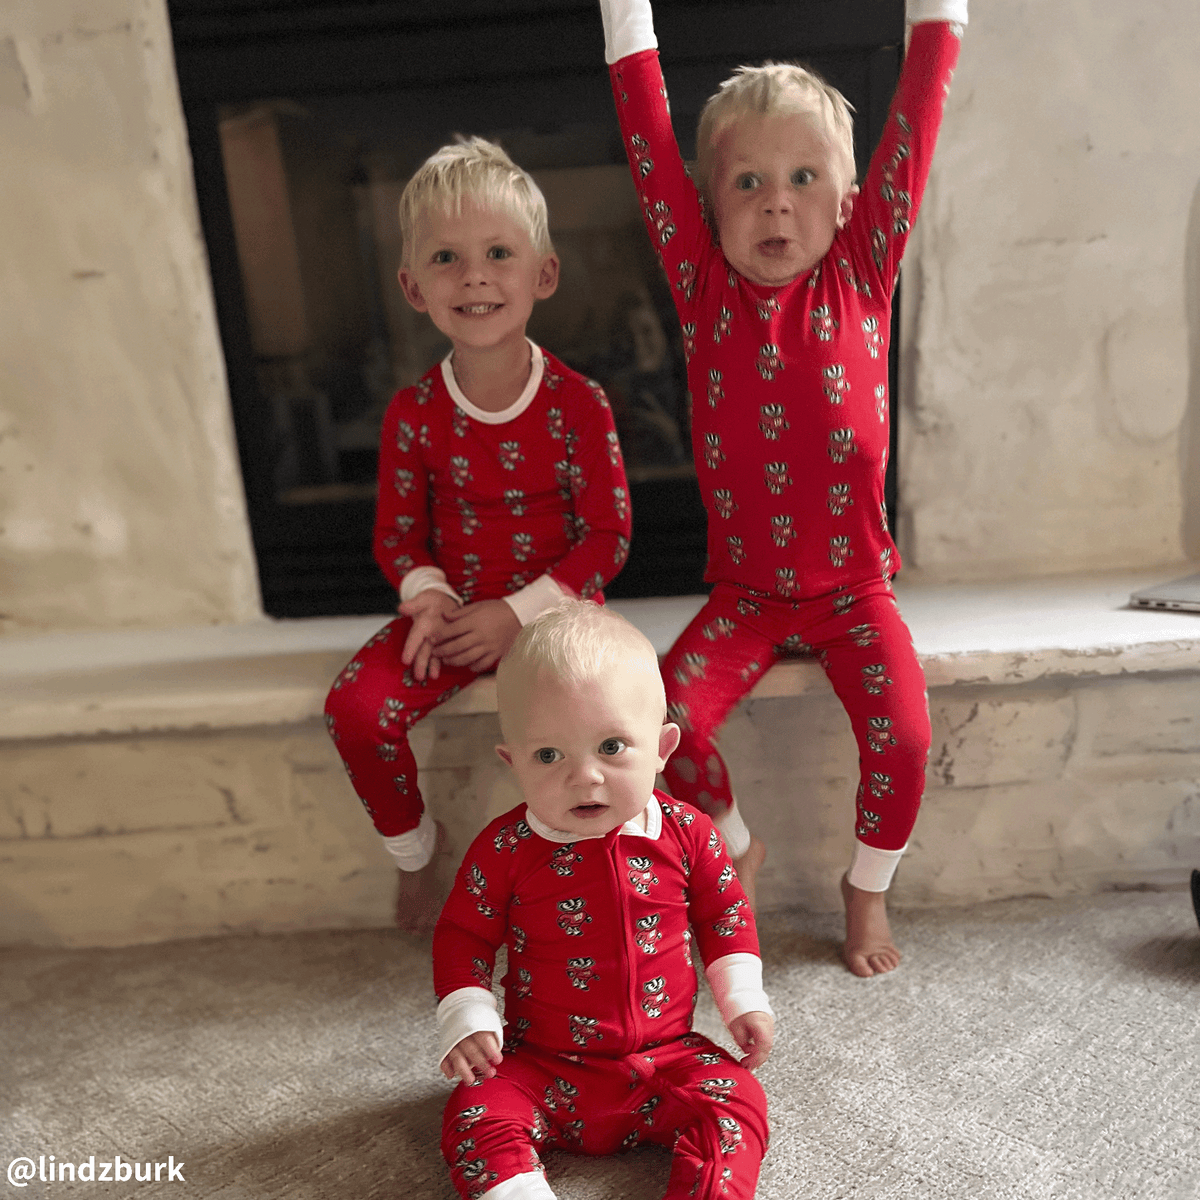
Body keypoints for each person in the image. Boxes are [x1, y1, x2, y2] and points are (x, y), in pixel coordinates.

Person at [597, 0, 966, 974]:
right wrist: (624, 19)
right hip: (749, 597)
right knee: (663, 722)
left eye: (804, 179)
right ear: (709, 205)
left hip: (855, 592)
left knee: (906, 740)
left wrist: (938, 18)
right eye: (748, 182)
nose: (775, 203)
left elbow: (914, 126)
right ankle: (735, 843)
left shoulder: (863, 271)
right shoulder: (703, 285)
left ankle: (866, 890)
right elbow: (647, 142)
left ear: (848, 203)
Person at [324, 139, 632, 935]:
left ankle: (604, 869)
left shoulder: (578, 404)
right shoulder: (413, 412)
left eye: (499, 253)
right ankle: (420, 857)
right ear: (413, 287)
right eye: (447, 259)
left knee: (612, 722)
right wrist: (427, 603)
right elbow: (398, 535)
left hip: (556, 619)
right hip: (452, 615)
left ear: (543, 273)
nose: (475, 276)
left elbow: (608, 536)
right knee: (356, 711)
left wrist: (520, 614)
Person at [434, 601, 774, 1200]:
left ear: (663, 747)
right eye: (549, 755)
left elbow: (725, 913)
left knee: (740, 1101)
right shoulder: (505, 847)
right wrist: (467, 1019)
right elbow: (463, 934)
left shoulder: (689, 832)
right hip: (541, 1064)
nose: (584, 777)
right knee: (473, 1111)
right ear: (513, 763)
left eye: (612, 747)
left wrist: (742, 997)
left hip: (666, 1060)